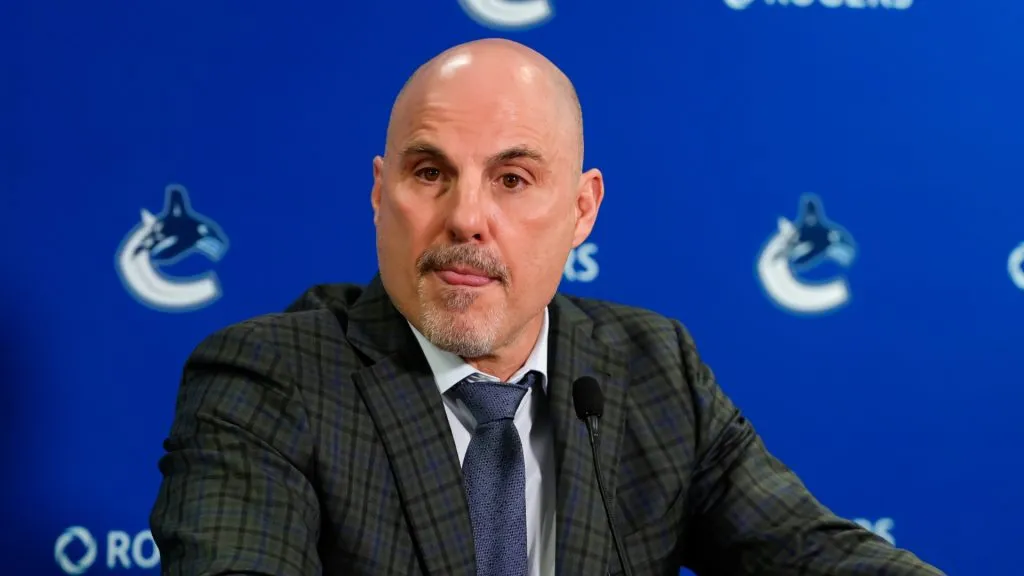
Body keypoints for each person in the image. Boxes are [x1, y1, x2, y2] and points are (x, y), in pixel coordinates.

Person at [149, 38, 944, 576]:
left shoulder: (650, 368)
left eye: (513, 179)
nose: (465, 217)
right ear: (379, 192)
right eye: (429, 173)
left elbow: (813, 553)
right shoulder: (271, 380)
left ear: (582, 210)